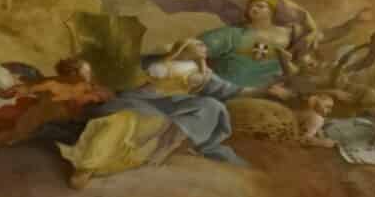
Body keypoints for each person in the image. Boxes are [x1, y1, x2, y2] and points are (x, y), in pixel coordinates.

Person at [57, 39, 290, 187]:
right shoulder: (156, 63)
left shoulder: (202, 74)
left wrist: (265, 89)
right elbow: (127, 75)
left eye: (203, 47)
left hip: (173, 104)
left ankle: (166, 146)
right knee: (124, 120)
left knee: (212, 106)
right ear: (183, 46)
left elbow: (234, 90)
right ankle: (88, 166)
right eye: (198, 44)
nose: (203, 47)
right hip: (139, 101)